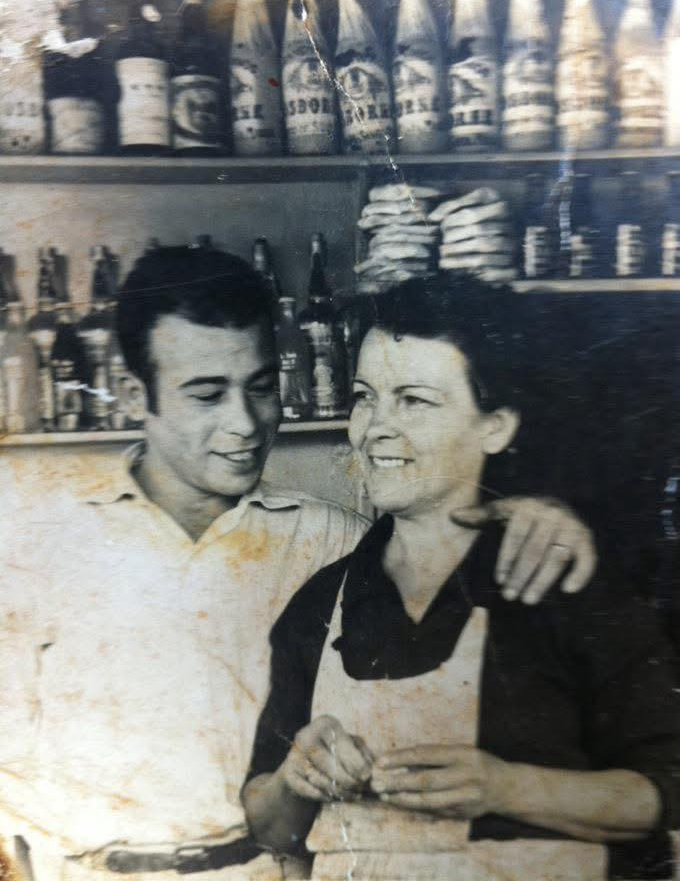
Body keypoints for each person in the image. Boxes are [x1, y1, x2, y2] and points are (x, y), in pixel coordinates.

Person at [1, 247, 595, 881]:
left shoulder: (332, 541)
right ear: (130, 393)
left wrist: (534, 513)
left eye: (260, 388)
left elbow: (447, 532)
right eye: (207, 395)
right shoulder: (42, 552)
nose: (246, 423)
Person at [243, 272, 680, 881]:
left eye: (414, 401)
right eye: (366, 396)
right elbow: (270, 825)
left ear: (496, 426)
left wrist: (507, 787)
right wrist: (296, 775)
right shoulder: (322, 602)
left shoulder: (568, 583)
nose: (376, 429)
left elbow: (666, 792)